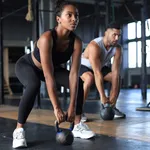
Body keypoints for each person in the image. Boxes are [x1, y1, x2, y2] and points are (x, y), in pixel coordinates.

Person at [12, 0, 95, 148]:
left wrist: (71, 108)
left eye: (76, 15)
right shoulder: (47, 38)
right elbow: (48, 75)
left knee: (80, 83)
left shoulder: (76, 42)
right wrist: (57, 108)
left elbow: (74, 75)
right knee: (33, 85)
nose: (74, 19)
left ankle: (77, 125)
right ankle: (19, 130)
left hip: (52, 69)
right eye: (69, 15)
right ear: (58, 19)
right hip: (28, 66)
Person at [80, 22, 126, 122]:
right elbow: (97, 73)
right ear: (106, 33)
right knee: (89, 78)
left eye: (119, 35)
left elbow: (115, 72)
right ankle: (78, 110)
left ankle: (113, 107)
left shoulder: (118, 48)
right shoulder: (95, 46)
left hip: (100, 67)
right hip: (84, 66)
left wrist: (113, 98)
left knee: (117, 77)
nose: (117, 38)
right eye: (114, 35)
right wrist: (103, 96)